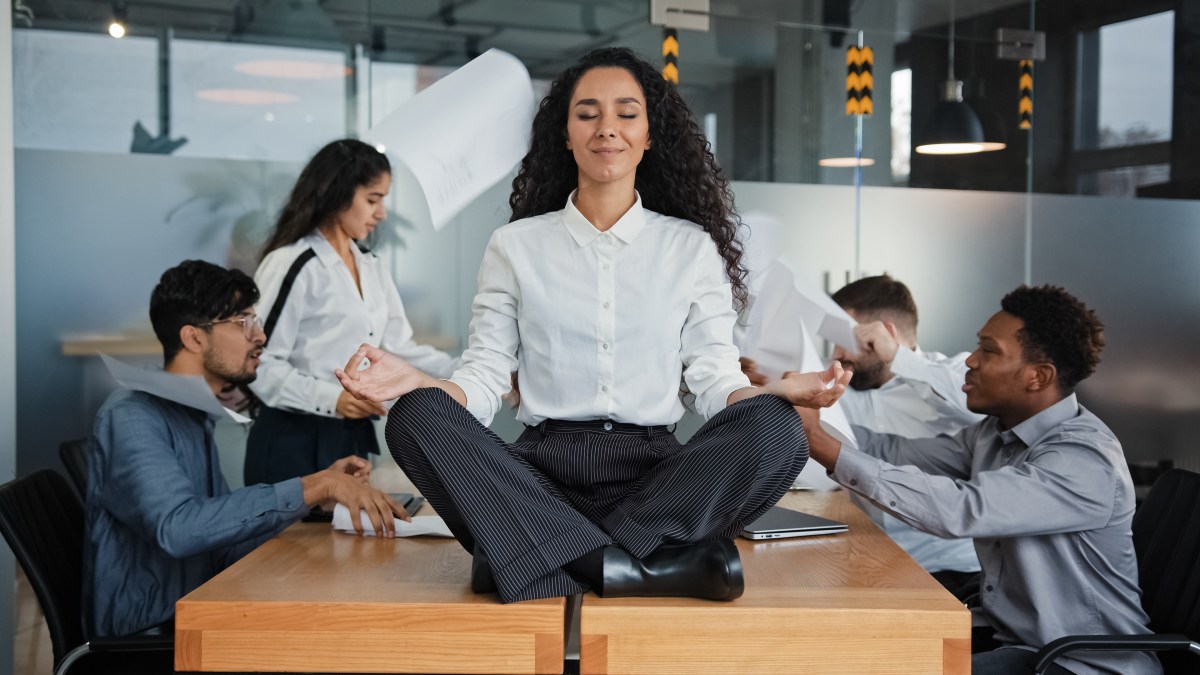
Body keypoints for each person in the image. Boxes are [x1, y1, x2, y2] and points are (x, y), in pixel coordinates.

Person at [336, 47, 849, 605]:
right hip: (539, 482)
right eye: (587, 114)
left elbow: (715, 383)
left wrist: (776, 392)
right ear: (566, 134)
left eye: (627, 113)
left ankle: (538, 559)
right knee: (416, 417)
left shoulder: (689, 249)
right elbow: (482, 382)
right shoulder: (515, 246)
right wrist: (412, 382)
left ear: (650, 135)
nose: (608, 128)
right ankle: (634, 569)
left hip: (655, 480)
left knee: (777, 427)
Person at [795, 285, 1160, 675]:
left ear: (1038, 376)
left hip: (1080, 661)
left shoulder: (1082, 460)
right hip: (1014, 636)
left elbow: (961, 509)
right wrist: (810, 421)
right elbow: (892, 452)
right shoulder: (994, 433)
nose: (970, 360)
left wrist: (824, 445)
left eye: (989, 350)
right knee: (861, 652)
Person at [83, 260, 406, 638]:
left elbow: (216, 543)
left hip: (194, 615)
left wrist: (311, 501)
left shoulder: (191, 415)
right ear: (194, 338)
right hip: (151, 638)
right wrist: (311, 486)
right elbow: (179, 529)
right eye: (243, 322)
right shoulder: (133, 415)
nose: (261, 337)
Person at [245, 139, 459, 486]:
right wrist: (334, 399)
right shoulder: (294, 263)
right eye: (373, 199)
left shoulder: (371, 265)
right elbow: (259, 363)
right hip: (295, 440)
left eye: (383, 200)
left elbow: (397, 349)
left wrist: (468, 370)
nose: (382, 212)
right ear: (337, 194)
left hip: (352, 436)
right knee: (301, 543)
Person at [830, 275, 983, 597]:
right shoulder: (845, 381)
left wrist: (899, 359)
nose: (836, 353)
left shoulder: (956, 373)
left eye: (843, 339)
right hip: (870, 558)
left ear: (884, 333)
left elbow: (978, 410)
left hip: (952, 569)